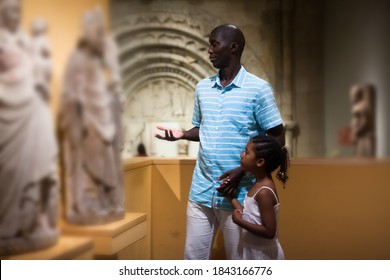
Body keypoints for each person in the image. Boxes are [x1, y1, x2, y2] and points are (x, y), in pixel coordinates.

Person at [155, 24, 284, 260]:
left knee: (238, 262)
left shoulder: (258, 89)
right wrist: (182, 134)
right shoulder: (202, 88)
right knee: (193, 260)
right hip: (201, 191)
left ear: (233, 47)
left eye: (214, 44)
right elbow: (202, 129)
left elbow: (277, 138)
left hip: (238, 193)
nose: (209, 50)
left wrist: (240, 171)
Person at [226, 134, 288, 260]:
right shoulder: (258, 185)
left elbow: (269, 231)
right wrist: (231, 198)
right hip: (252, 251)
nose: (241, 155)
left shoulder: (264, 191)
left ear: (260, 162)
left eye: (246, 152)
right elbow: (250, 215)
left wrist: (239, 221)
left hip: (264, 255)